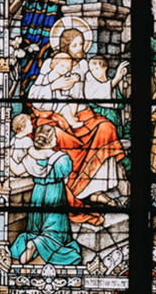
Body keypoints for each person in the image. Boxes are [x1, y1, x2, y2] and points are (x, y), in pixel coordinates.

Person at [28, 27, 126, 216]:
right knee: (61, 137)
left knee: (106, 127)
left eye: (81, 44)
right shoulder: (51, 63)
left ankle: (95, 190)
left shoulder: (82, 65)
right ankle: (74, 188)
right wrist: (55, 85)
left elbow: (91, 91)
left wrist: (114, 81)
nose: (79, 48)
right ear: (65, 45)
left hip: (81, 113)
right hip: (54, 115)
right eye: (74, 44)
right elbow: (34, 95)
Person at [10, 124, 81, 266]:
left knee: (36, 228)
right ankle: (37, 244)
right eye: (54, 136)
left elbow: (17, 170)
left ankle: (32, 242)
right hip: (55, 195)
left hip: (37, 193)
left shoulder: (31, 157)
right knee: (54, 230)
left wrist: (6, 154)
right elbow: (65, 179)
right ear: (51, 140)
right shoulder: (61, 159)